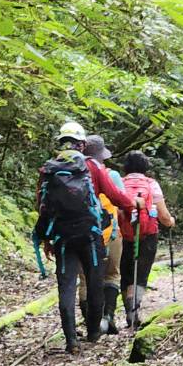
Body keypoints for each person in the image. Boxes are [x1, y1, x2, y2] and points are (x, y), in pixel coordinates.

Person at [35, 120, 136, 354]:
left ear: (60, 142)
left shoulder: (47, 169)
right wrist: (133, 208)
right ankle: (92, 332)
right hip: (90, 234)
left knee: (67, 285)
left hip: (61, 236)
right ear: (82, 144)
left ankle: (71, 340)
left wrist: (47, 238)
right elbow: (115, 195)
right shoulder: (93, 166)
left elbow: (41, 205)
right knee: (94, 280)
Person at [118, 150, 176, 327]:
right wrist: (171, 222)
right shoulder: (152, 184)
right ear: (145, 167)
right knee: (141, 274)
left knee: (125, 272)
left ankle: (128, 308)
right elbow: (163, 216)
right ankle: (134, 305)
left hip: (123, 234)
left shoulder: (119, 183)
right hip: (147, 234)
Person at [82, 135, 125, 334]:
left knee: (85, 278)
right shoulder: (112, 175)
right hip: (110, 231)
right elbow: (121, 201)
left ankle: (90, 322)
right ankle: (108, 317)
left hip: (81, 233)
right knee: (112, 274)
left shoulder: (73, 173)